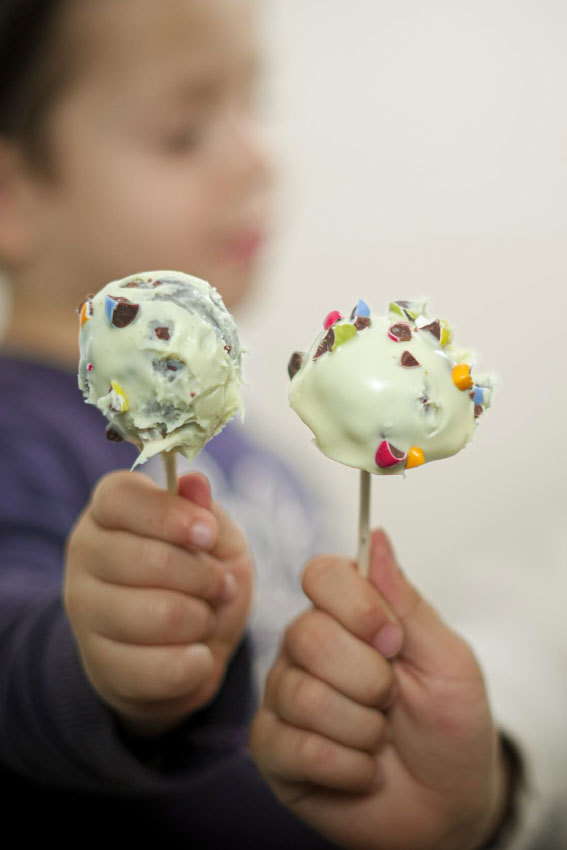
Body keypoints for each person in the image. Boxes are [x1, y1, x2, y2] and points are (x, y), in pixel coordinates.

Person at [0, 1, 557, 847]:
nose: (257, 157)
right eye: (184, 131)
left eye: (250, 107)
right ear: (12, 194)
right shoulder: (18, 437)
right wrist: (97, 663)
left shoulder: (263, 460)